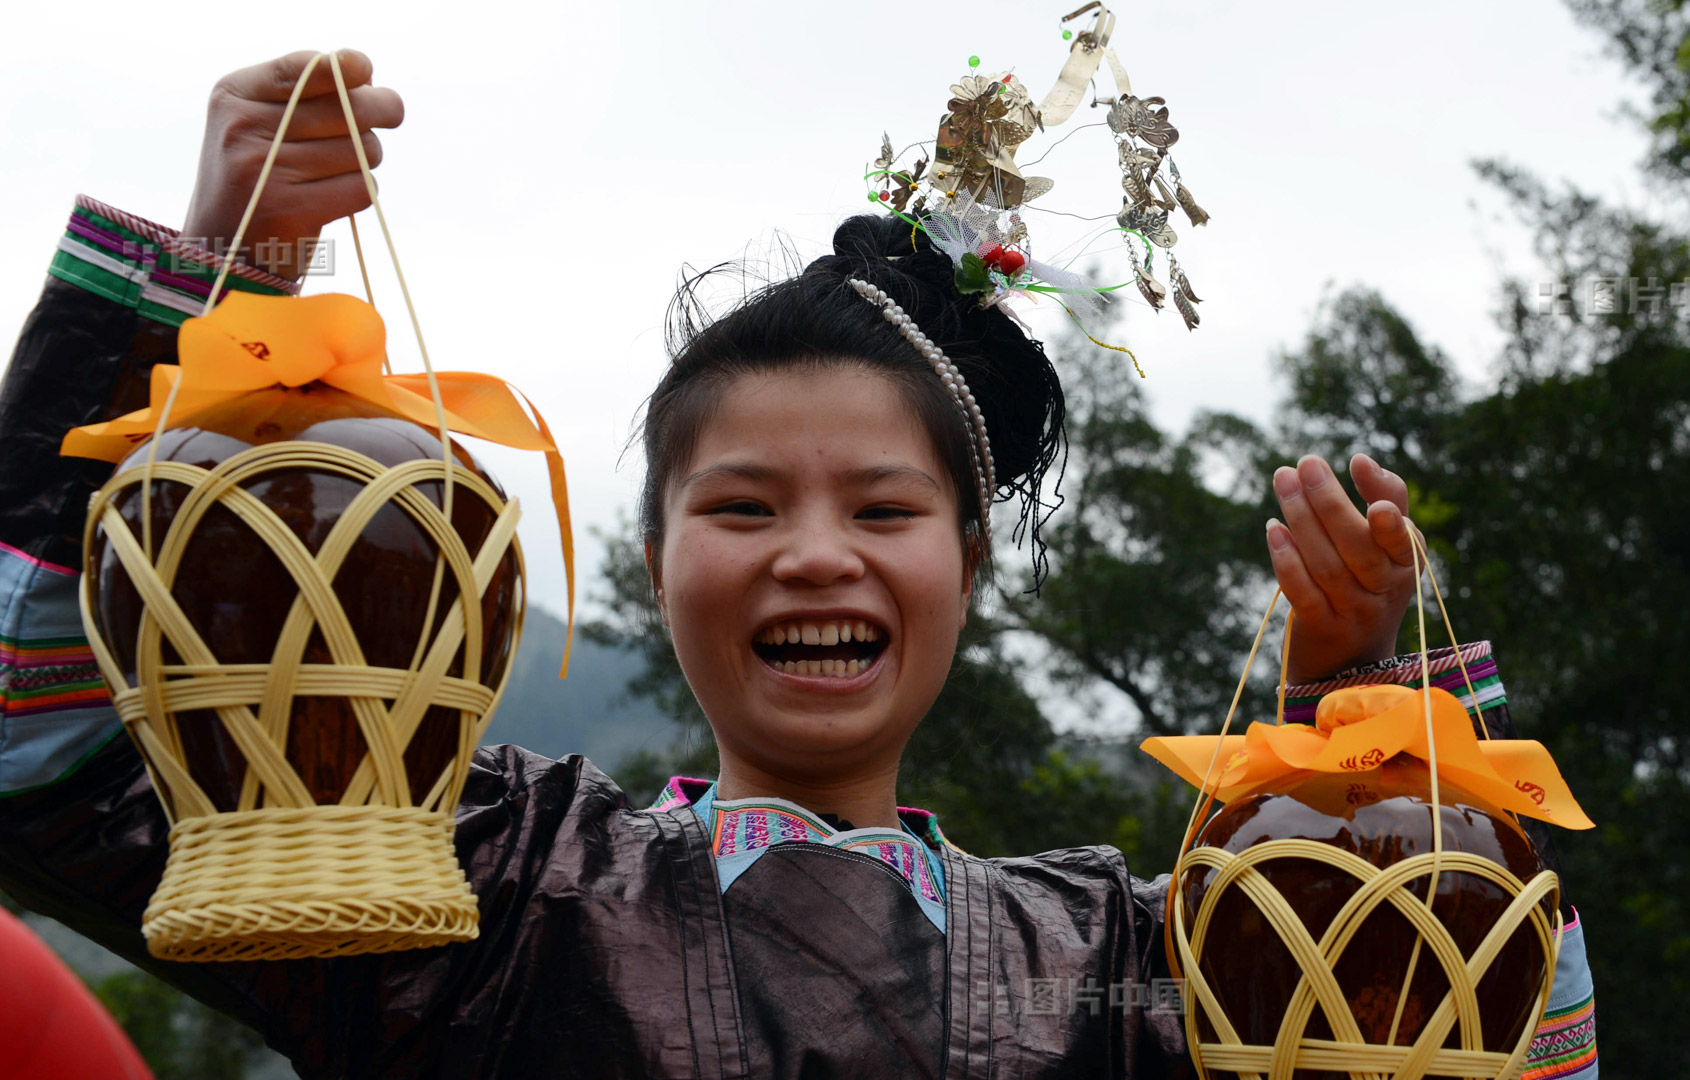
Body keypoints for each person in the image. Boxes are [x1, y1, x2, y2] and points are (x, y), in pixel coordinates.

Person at [0, 51, 1597, 1079]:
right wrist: (213, 276)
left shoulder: (1135, 969)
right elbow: (35, 757)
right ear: (653, 557)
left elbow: (1499, 1042)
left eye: (885, 512)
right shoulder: (468, 891)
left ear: (968, 563)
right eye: (746, 507)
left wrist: (1357, 722)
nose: (815, 557)